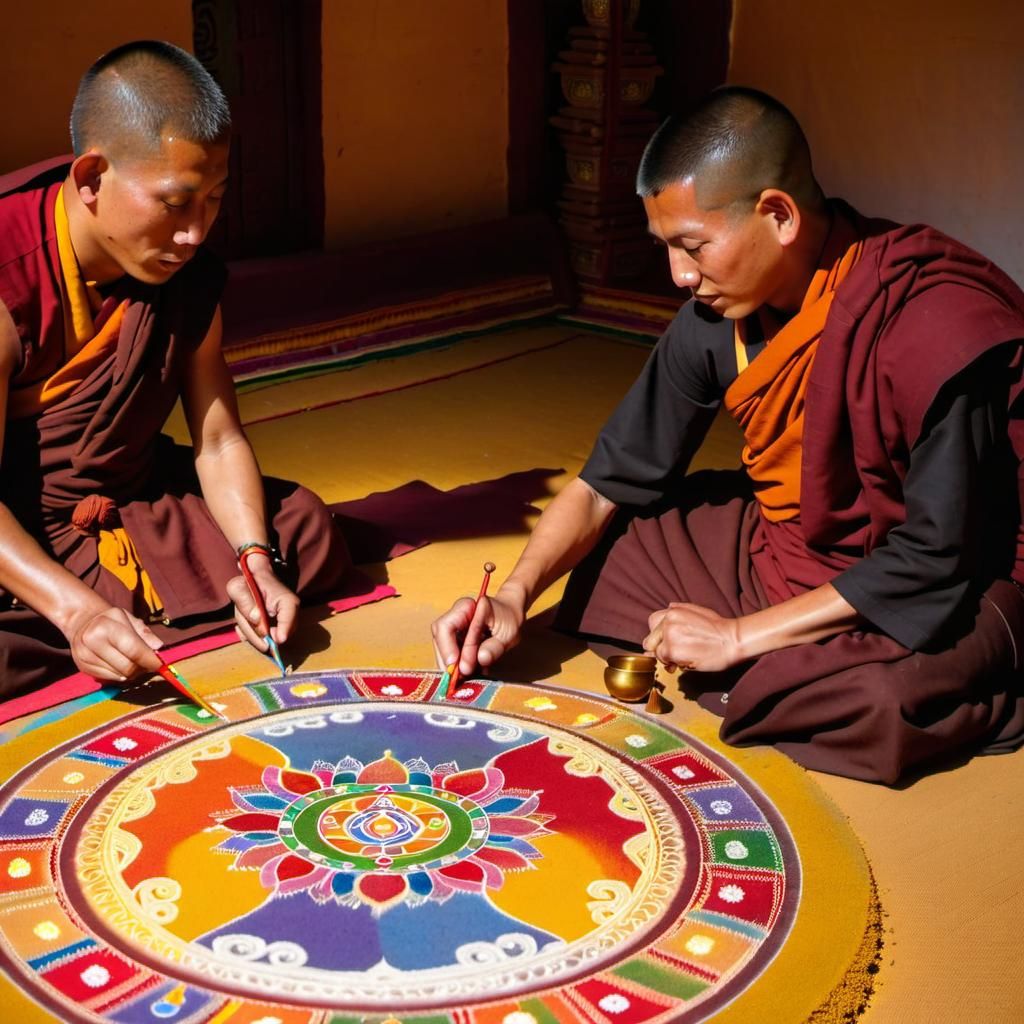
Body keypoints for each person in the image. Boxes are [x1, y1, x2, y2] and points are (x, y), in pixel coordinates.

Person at [433, 86, 1024, 784]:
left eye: (693, 247)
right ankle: (768, 660)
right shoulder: (716, 320)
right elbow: (604, 486)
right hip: (792, 550)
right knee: (616, 552)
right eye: (667, 249)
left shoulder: (929, 323)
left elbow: (935, 558)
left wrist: (734, 636)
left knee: (881, 704)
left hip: (943, 579)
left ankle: (776, 662)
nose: (680, 277)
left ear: (778, 215)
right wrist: (514, 594)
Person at [0, 40, 350, 696]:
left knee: (304, 527)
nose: (196, 233)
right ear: (90, 179)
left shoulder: (183, 277)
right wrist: (77, 611)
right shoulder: (7, 271)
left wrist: (254, 563)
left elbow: (218, 440)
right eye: (175, 202)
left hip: (119, 494)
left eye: (214, 199)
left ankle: (115, 617)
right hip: (15, 522)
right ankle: (84, 617)